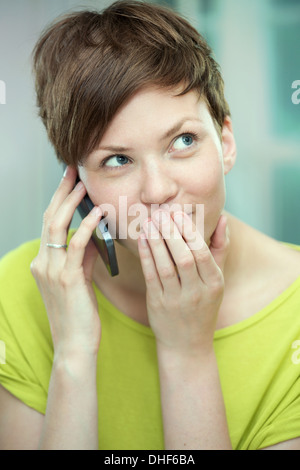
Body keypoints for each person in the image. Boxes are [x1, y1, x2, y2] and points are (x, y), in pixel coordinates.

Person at [0, 0, 299, 451]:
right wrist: (73, 358)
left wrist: (187, 352)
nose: (157, 191)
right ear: (77, 183)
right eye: (117, 160)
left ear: (226, 142)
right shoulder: (19, 291)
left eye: (183, 141)